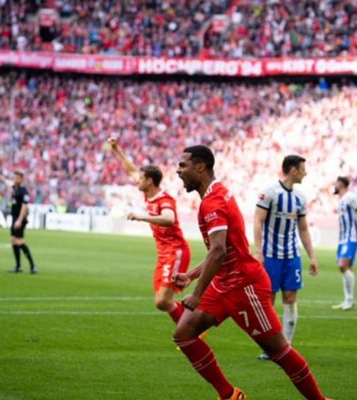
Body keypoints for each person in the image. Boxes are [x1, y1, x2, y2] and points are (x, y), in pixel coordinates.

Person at [173, 145, 330, 400]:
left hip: (245, 287)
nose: (178, 171)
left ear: (200, 167)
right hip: (225, 282)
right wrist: (191, 275)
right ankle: (230, 395)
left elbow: (219, 252)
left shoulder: (213, 202)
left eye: (183, 165)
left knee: (279, 351)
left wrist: (197, 293)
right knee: (184, 334)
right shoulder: (217, 194)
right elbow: (224, 251)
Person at [107, 137, 191, 324]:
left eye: (141, 178)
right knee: (161, 303)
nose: (138, 180)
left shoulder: (165, 200)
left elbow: (169, 219)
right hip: (163, 255)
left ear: (150, 181)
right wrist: (116, 149)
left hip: (175, 252)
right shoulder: (148, 193)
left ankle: (193, 329)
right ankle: (192, 321)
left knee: (163, 300)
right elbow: (130, 168)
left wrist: (141, 217)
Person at [254, 155, 319, 360]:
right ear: (293, 170)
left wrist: (313, 256)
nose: (305, 172)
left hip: (292, 256)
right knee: (269, 301)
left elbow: (304, 228)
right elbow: (258, 221)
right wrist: (258, 251)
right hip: (271, 256)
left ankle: (286, 347)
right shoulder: (270, 192)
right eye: (302, 169)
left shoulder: (300, 197)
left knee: (290, 299)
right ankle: (271, 347)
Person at [331, 176, 357, 310]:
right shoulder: (341, 200)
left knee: (342, 265)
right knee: (347, 268)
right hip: (342, 239)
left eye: (335, 183)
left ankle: (350, 300)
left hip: (351, 238)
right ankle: (348, 300)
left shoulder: (350, 197)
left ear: (340, 184)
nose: (334, 186)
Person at [2, 172, 37, 274]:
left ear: (22, 179)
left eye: (17, 178)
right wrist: (3, 179)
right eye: (14, 178)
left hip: (19, 218)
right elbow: (10, 184)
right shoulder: (16, 188)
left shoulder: (24, 191)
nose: (15, 180)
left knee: (19, 241)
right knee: (14, 240)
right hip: (14, 217)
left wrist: (20, 220)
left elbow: (24, 206)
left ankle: (32, 266)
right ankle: (18, 266)